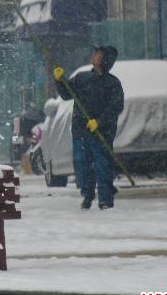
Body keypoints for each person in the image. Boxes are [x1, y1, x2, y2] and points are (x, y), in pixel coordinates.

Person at [53, 45, 124, 210]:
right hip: (80, 130)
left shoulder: (112, 83)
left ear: (105, 60)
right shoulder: (82, 78)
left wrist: (99, 122)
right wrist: (59, 81)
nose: (94, 56)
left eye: (98, 54)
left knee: (102, 165)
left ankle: (105, 199)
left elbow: (116, 107)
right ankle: (87, 194)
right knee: (81, 164)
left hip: (101, 133)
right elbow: (66, 94)